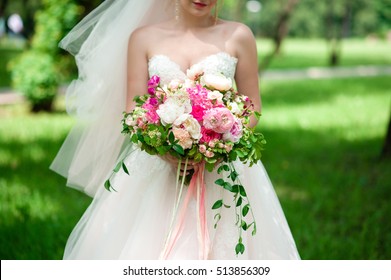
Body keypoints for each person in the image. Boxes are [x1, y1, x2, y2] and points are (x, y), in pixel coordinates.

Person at [51, 0, 300, 260]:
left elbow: (252, 107)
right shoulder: (143, 38)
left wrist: (218, 142)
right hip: (158, 167)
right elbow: (132, 112)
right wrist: (165, 151)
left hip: (221, 165)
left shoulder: (239, 35)